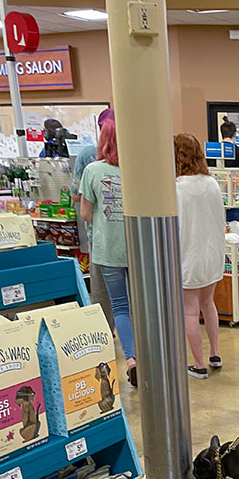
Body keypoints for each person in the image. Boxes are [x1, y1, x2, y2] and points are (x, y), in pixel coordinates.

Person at [79, 120, 137, 387]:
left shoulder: (92, 170)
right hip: (138, 249)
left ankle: (133, 360)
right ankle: (153, 357)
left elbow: (85, 214)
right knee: (142, 306)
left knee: (120, 307)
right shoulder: (136, 168)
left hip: (108, 248)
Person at [174, 133, 225, 378]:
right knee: (209, 304)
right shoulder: (212, 183)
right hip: (212, 255)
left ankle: (198, 364)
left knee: (190, 311)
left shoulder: (176, 187)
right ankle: (215, 354)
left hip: (188, 256)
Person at [71, 107, 116, 335]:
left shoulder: (87, 158)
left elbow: (77, 198)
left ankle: (105, 335)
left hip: (98, 237)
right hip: (130, 238)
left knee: (102, 293)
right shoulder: (132, 157)